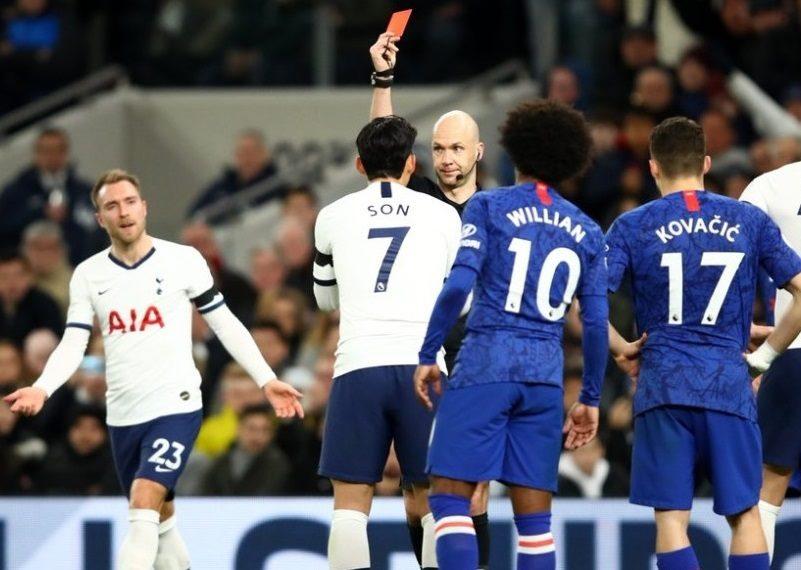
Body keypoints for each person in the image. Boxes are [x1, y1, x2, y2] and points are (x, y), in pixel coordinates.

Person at [3, 168, 303, 570]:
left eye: (130, 202)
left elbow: (224, 322)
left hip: (175, 404)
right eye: (112, 205)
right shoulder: (89, 274)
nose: (124, 211)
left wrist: (266, 379)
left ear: (143, 207)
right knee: (160, 518)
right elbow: (74, 341)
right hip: (123, 413)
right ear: (100, 218)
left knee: (144, 499)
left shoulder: (183, 260)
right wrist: (42, 387)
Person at [415, 99, 608, 570]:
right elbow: (595, 323)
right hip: (545, 378)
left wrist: (427, 352)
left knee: (450, 498)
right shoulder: (586, 230)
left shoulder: (488, 205)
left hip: (486, 361)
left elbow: (457, 286)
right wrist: (590, 397)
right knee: (535, 523)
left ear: (514, 150)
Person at [605, 117, 801, 570]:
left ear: (653, 167)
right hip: (729, 386)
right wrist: (765, 355)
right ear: (707, 164)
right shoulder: (747, 220)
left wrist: (620, 347)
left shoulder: (632, 225)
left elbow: (588, 302)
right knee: (746, 514)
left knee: (672, 520)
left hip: (663, 388)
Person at [314, 115, 462, 570]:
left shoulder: (332, 215)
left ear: (359, 164)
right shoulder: (443, 215)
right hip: (425, 368)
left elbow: (324, 300)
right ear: (411, 164)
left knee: (350, 504)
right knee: (436, 499)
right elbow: (462, 299)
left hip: (358, 365)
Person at [369, 32, 492, 567]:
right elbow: (382, 146)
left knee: (473, 490)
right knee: (418, 494)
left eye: (457, 148)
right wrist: (382, 80)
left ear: (478, 152)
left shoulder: (497, 211)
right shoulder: (414, 203)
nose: (446, 159)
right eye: (438, 149)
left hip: (477, 360)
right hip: (421, 356)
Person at [739, 159, 801, 563]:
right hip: (789, 349)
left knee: (767, 489)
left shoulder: (770, 185)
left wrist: (761, 355)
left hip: (793, 350)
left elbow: (735, 258)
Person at [0, 128, 100, 266]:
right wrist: (39, 213)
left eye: (58, 150)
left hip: (76, 268)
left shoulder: (84, 192)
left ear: (66, 152)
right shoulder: (16, 192)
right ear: (36, 153)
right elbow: (4, 228)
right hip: (26, 272)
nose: (52, 156)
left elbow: (98, 231)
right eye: (46, 151)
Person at [186, 129, 285, 221]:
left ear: (264, 154)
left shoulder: (279, 184)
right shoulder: (221, 186)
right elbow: (193, 215)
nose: (247, 158)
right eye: (242, 153)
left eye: (252, 152)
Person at [200, 404, 291, 496]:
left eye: (265, 430)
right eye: (252, 429)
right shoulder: (221, 461)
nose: (258, 436)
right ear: (239, 429)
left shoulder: (277, 465)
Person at [0, 250, 63, 346]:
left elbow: (55, 335)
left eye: (18, 275)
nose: (12, 282)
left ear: (30, 276)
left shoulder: (44, 303)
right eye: (4, 277)